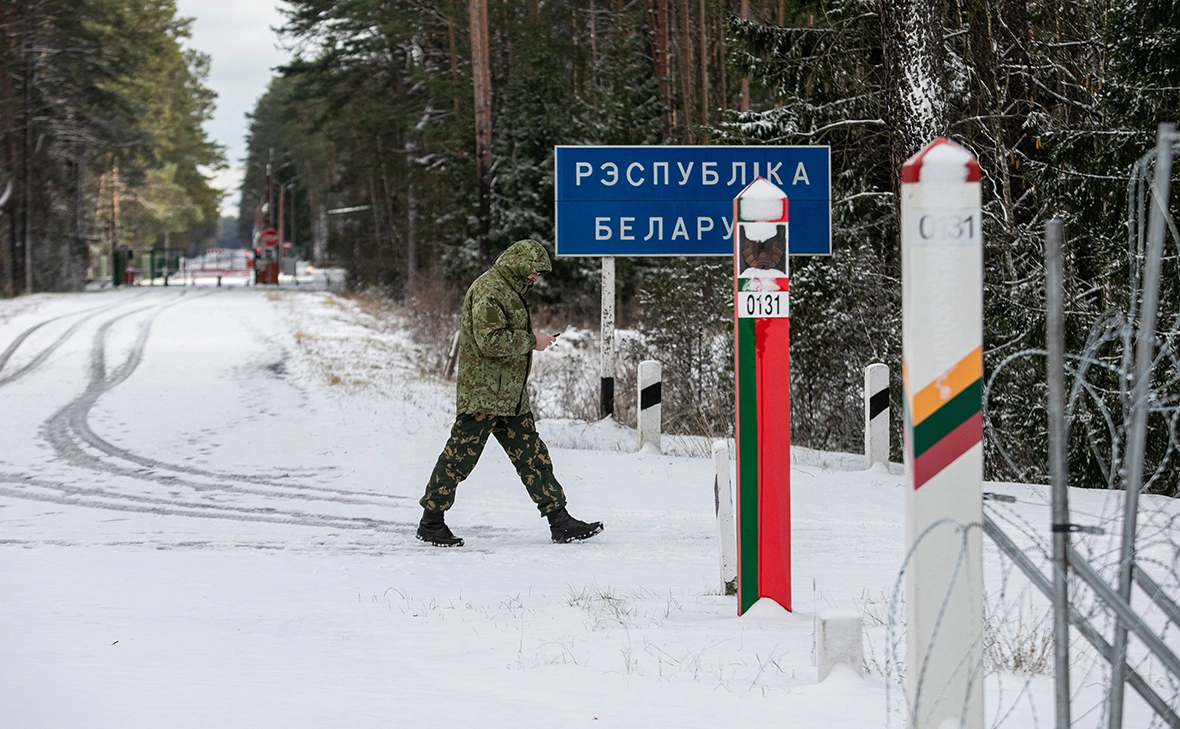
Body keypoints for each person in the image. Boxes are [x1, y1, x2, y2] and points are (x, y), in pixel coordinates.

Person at [417, 239, 604, 547]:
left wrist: (532, 341)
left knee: (534, 458)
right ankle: (431, 522)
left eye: (539, 273)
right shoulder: (490, 289)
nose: (536, 278)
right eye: (533, 271)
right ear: (518, 264)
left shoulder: (510, 290)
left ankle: (560, 521)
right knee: (458, 459)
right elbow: (489, 341)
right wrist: (533, 340)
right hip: (484, 395)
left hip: (510, 396)